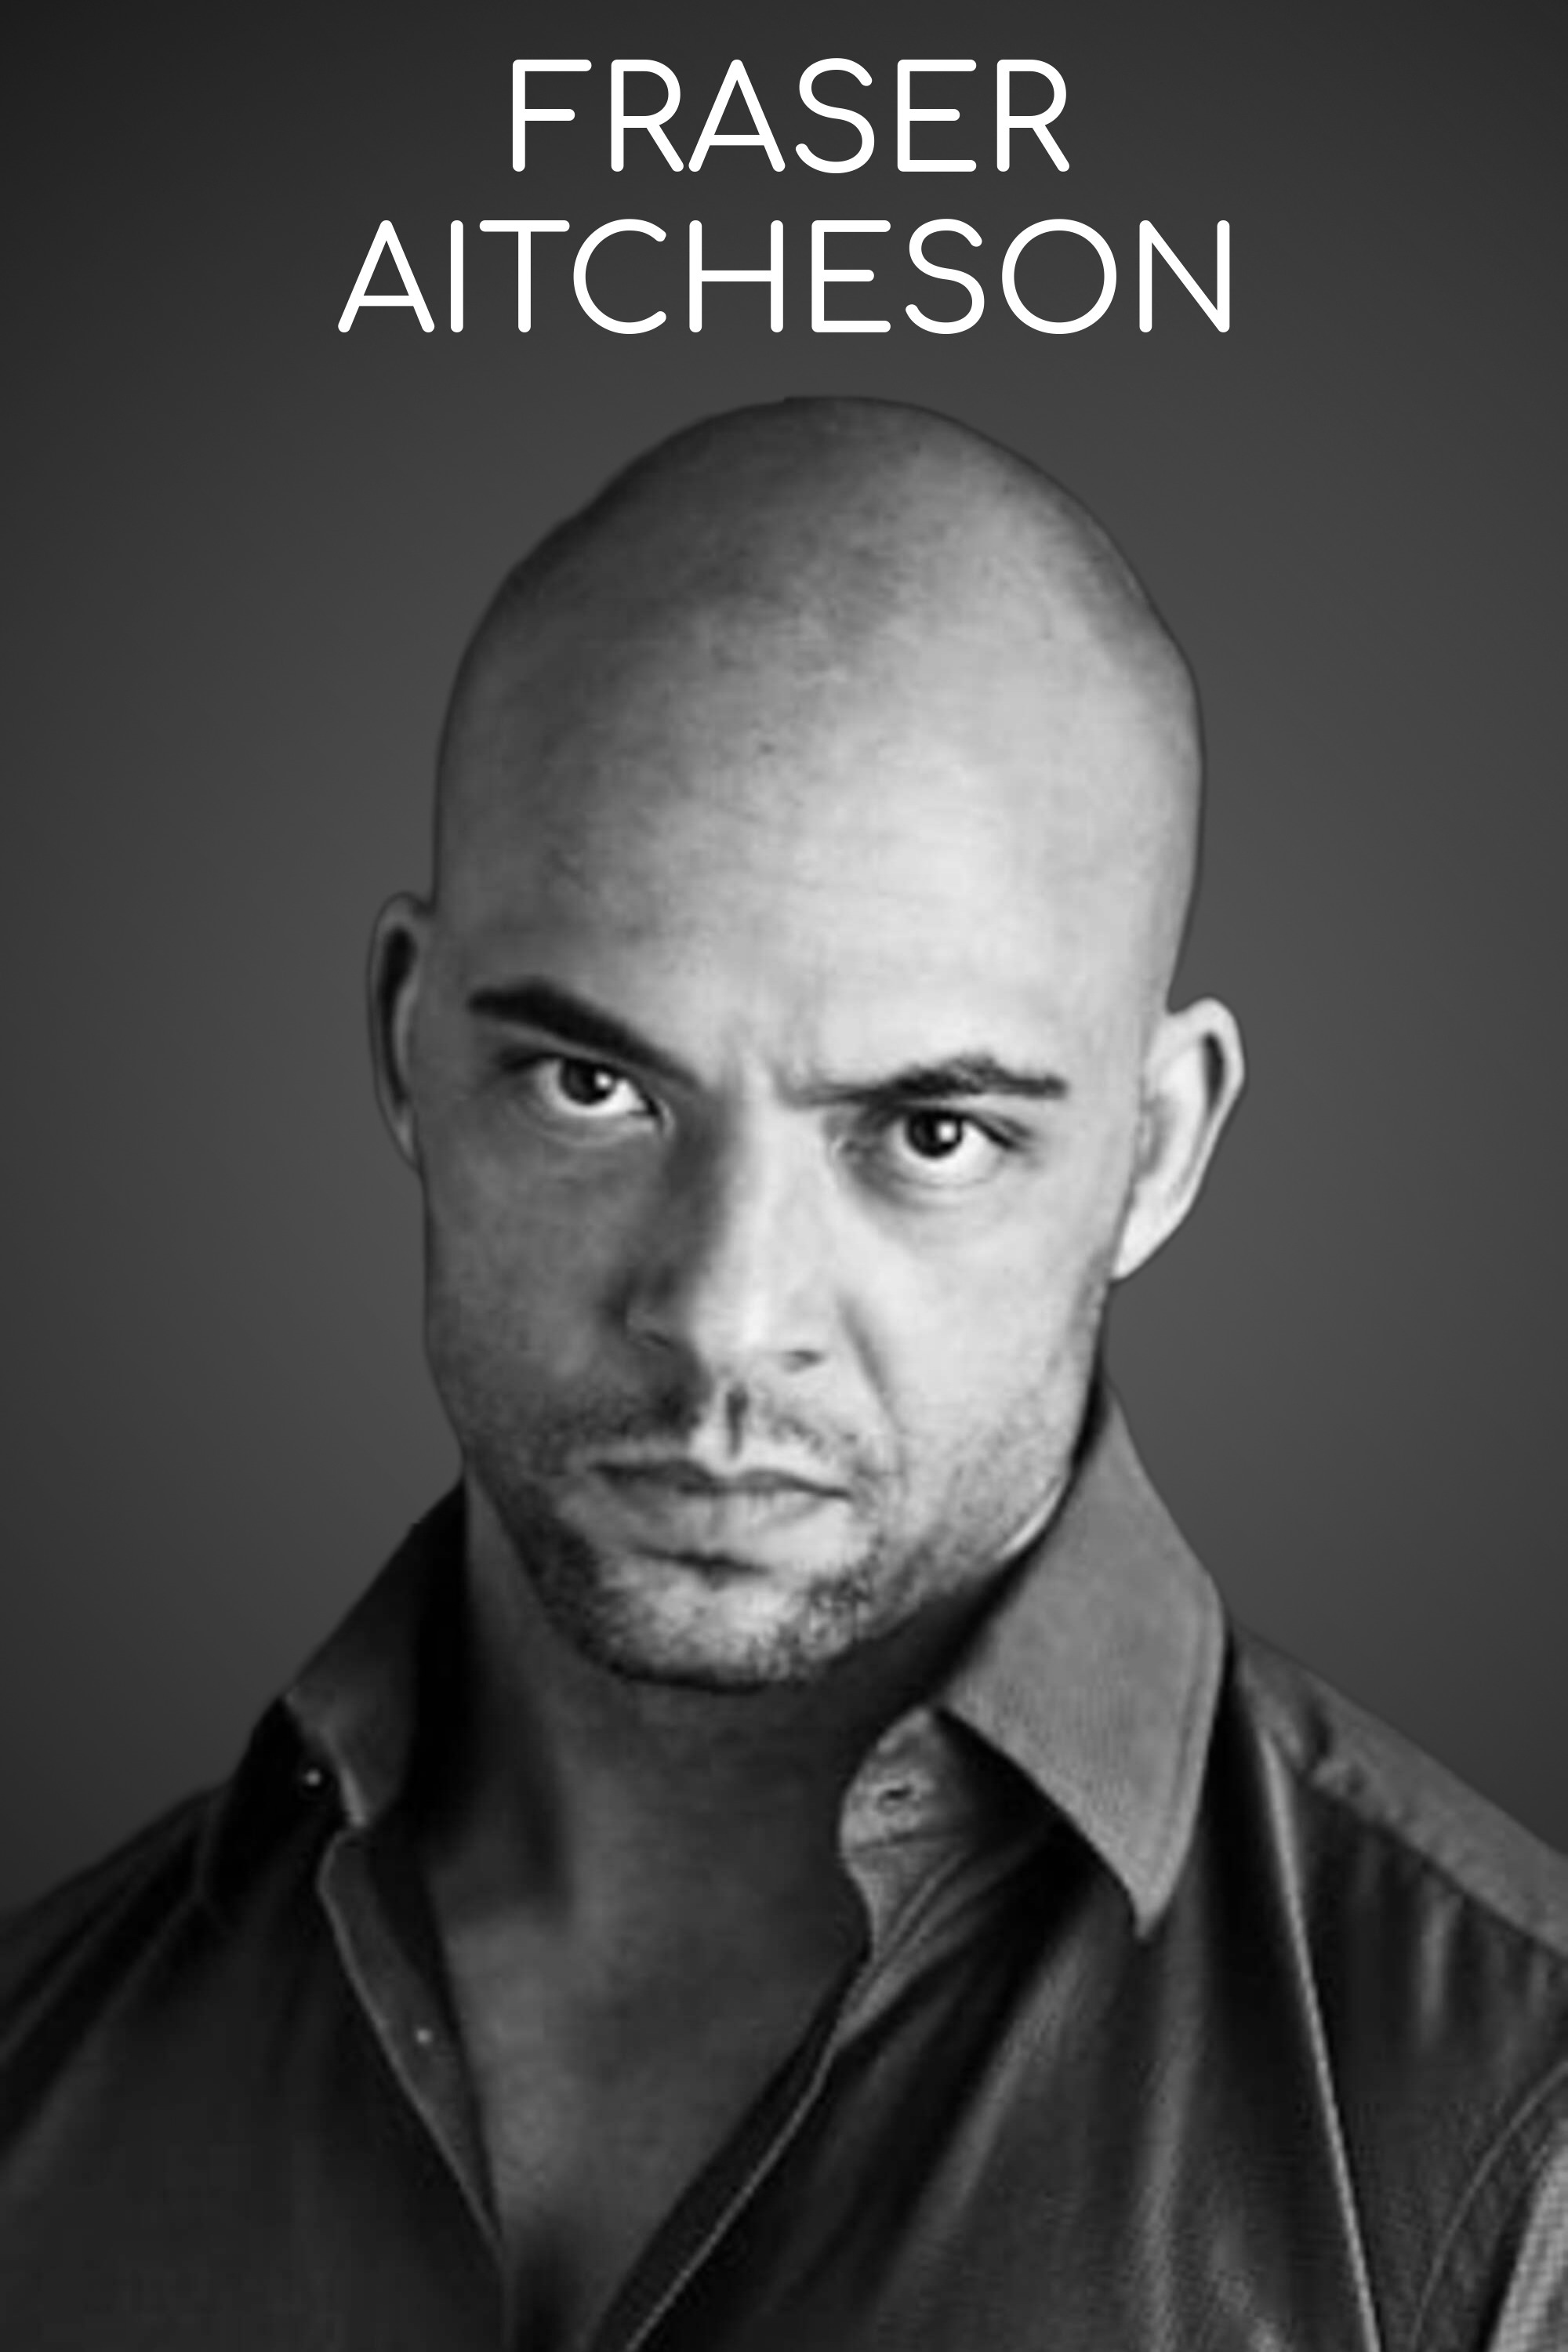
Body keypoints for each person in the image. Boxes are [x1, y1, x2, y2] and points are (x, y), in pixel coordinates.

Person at [2, 397, 1565, 2350]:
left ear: (1155, 1151)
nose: (727, 1314)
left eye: (928, 1134)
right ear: (408, 1044)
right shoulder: (43, 2078)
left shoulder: (1513, 2152)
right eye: (593, 1087)